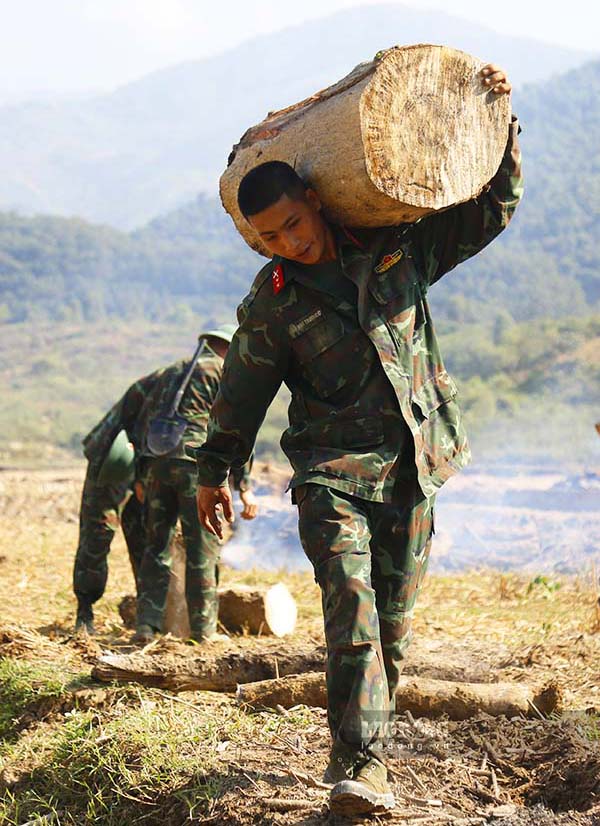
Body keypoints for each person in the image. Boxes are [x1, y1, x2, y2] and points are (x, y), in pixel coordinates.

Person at [196, 65, 522, 815]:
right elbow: (240, 394)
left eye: (295, 225)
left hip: (414, 465)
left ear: (314, 200)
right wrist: (218, 470)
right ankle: (360, 765)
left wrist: (503, 124)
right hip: (332, 475)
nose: (288, 244)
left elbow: (492, 210)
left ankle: (370, 748)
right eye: (270, 238)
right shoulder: (273, 305)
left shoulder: (396, 250)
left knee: (395, 628)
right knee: (352, 611)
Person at [133, 326, 258, 644]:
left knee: (156, 547)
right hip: (195, 467)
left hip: (158, 463)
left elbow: (144, 420)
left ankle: (146, 627)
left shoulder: (172, 371)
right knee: (203, 546)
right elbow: (237, 427)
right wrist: (244, 485)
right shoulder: (223, 371)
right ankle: (204, 633)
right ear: (226, 348)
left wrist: (141, 472)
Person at [73, 366, 170, 634]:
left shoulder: (209, 382)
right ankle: (85, 613)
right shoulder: (173, 379)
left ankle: (148, 615)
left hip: (147, 464)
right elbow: (143, 427)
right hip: (113, 460)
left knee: (145, 535)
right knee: (98, 533)